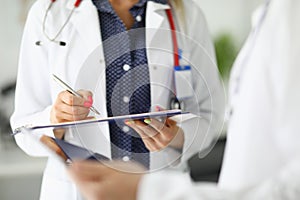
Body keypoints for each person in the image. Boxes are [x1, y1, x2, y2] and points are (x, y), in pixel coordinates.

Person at [67, 0, 300, 199]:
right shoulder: (278, 14)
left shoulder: (288, 16)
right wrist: (56, 116)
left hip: (164, 181)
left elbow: (290, 181)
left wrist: (177, 139)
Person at [10, 0, 224, 199]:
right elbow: (23, 128)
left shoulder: (186, 14)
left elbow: (210, 113)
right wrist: (56, 118)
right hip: (77, 191)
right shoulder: (49, 13)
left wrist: (178, 136)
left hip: (158, 190)